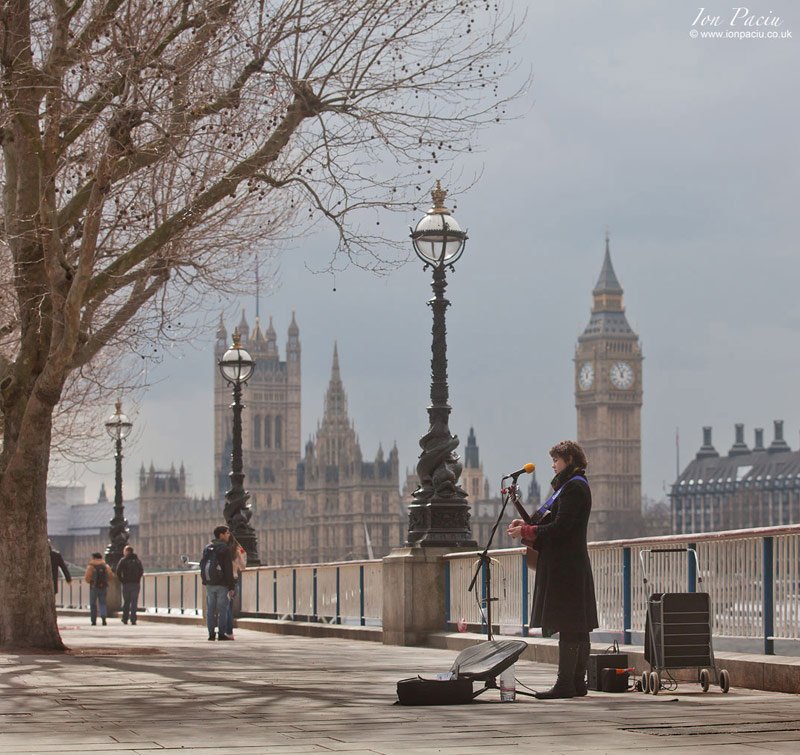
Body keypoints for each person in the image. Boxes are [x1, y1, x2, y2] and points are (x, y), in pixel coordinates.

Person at [508, 440, 598, 699]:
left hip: (566, 567)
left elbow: (561, 528)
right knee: (577, 625)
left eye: (556, 460)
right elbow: (550, 522)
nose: (553, 465)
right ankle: (577, 683)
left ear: (569, 458)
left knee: (571, 624)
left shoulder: (574, 489)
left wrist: (526, 531)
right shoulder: (571, 486)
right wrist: (525, 523)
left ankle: (565, 684)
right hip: (569, 564)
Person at [200, 525, 236, 641]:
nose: (229, 535)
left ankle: (211, 634)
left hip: (210, 583)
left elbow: (202, 564)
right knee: (222, 610)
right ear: (221, 535)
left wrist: (205, 580)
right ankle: (221, 634)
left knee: (210, 609)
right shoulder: (225, 548)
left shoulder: (208, 547)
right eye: (227, 533)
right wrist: (231, 586)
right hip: (222, 584)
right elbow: (228, 569)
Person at [222, 535, 247, 640]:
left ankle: (222, 631)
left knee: (223, 607)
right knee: (229, 607)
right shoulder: (236, 552)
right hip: (234, 579)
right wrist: (243, 555)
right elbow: (242, 567)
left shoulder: (222, 549)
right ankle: (229, 632)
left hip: (222, 581)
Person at [116, 545, 144, 625]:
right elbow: (141, 571)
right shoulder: (137, 560)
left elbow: (118, 571)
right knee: (134, 602)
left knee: (126, 602)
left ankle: (125, 618)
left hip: (126, 584)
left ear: (127, 552)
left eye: (124, 551)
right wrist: (137, 579)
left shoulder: (123, 560)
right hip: (135, 584)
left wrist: (122, 580)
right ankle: (133, 619)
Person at [84, 552, 112, 626]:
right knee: (102, 603)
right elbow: (110, 576)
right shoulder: (106, 566)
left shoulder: (91, 566)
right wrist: (104, 582)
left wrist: (91, 582)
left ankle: (93, 620)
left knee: (93, 604)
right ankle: (103, 618)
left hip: (94, 587)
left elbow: (87, 577)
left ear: (94, 558)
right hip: (103, 587)